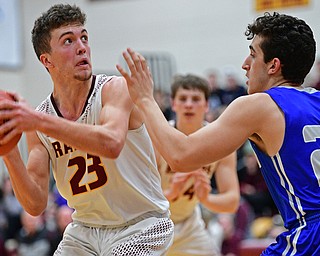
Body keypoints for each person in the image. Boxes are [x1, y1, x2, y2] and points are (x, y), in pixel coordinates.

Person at [117, 12, 320, 255]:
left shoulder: (259, 104)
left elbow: (181, 156)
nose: (245, 63)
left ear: (273, 65)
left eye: (253, 54)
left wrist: (145, 98)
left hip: (310, 234)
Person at [0, 4, 173, 256]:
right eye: (68, 41)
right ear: (46, 60)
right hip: (84, 230)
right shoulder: (39, 120)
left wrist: (37, 121)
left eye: (84, 37)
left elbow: (111, 143)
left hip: (141, 224)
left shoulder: (115, 89)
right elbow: (35, 203)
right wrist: (8, 149)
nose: (82, 46)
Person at [157, 74, 239, 255]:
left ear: (207, 104)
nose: (188, 104)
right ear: (173, 103)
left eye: (195, 99)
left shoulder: (221, 143)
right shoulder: (158, 138)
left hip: (189, 223)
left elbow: (231, 202)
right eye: (183, 98)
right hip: (153, 222)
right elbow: (138, 197)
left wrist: (206, 198)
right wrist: (170, 193)